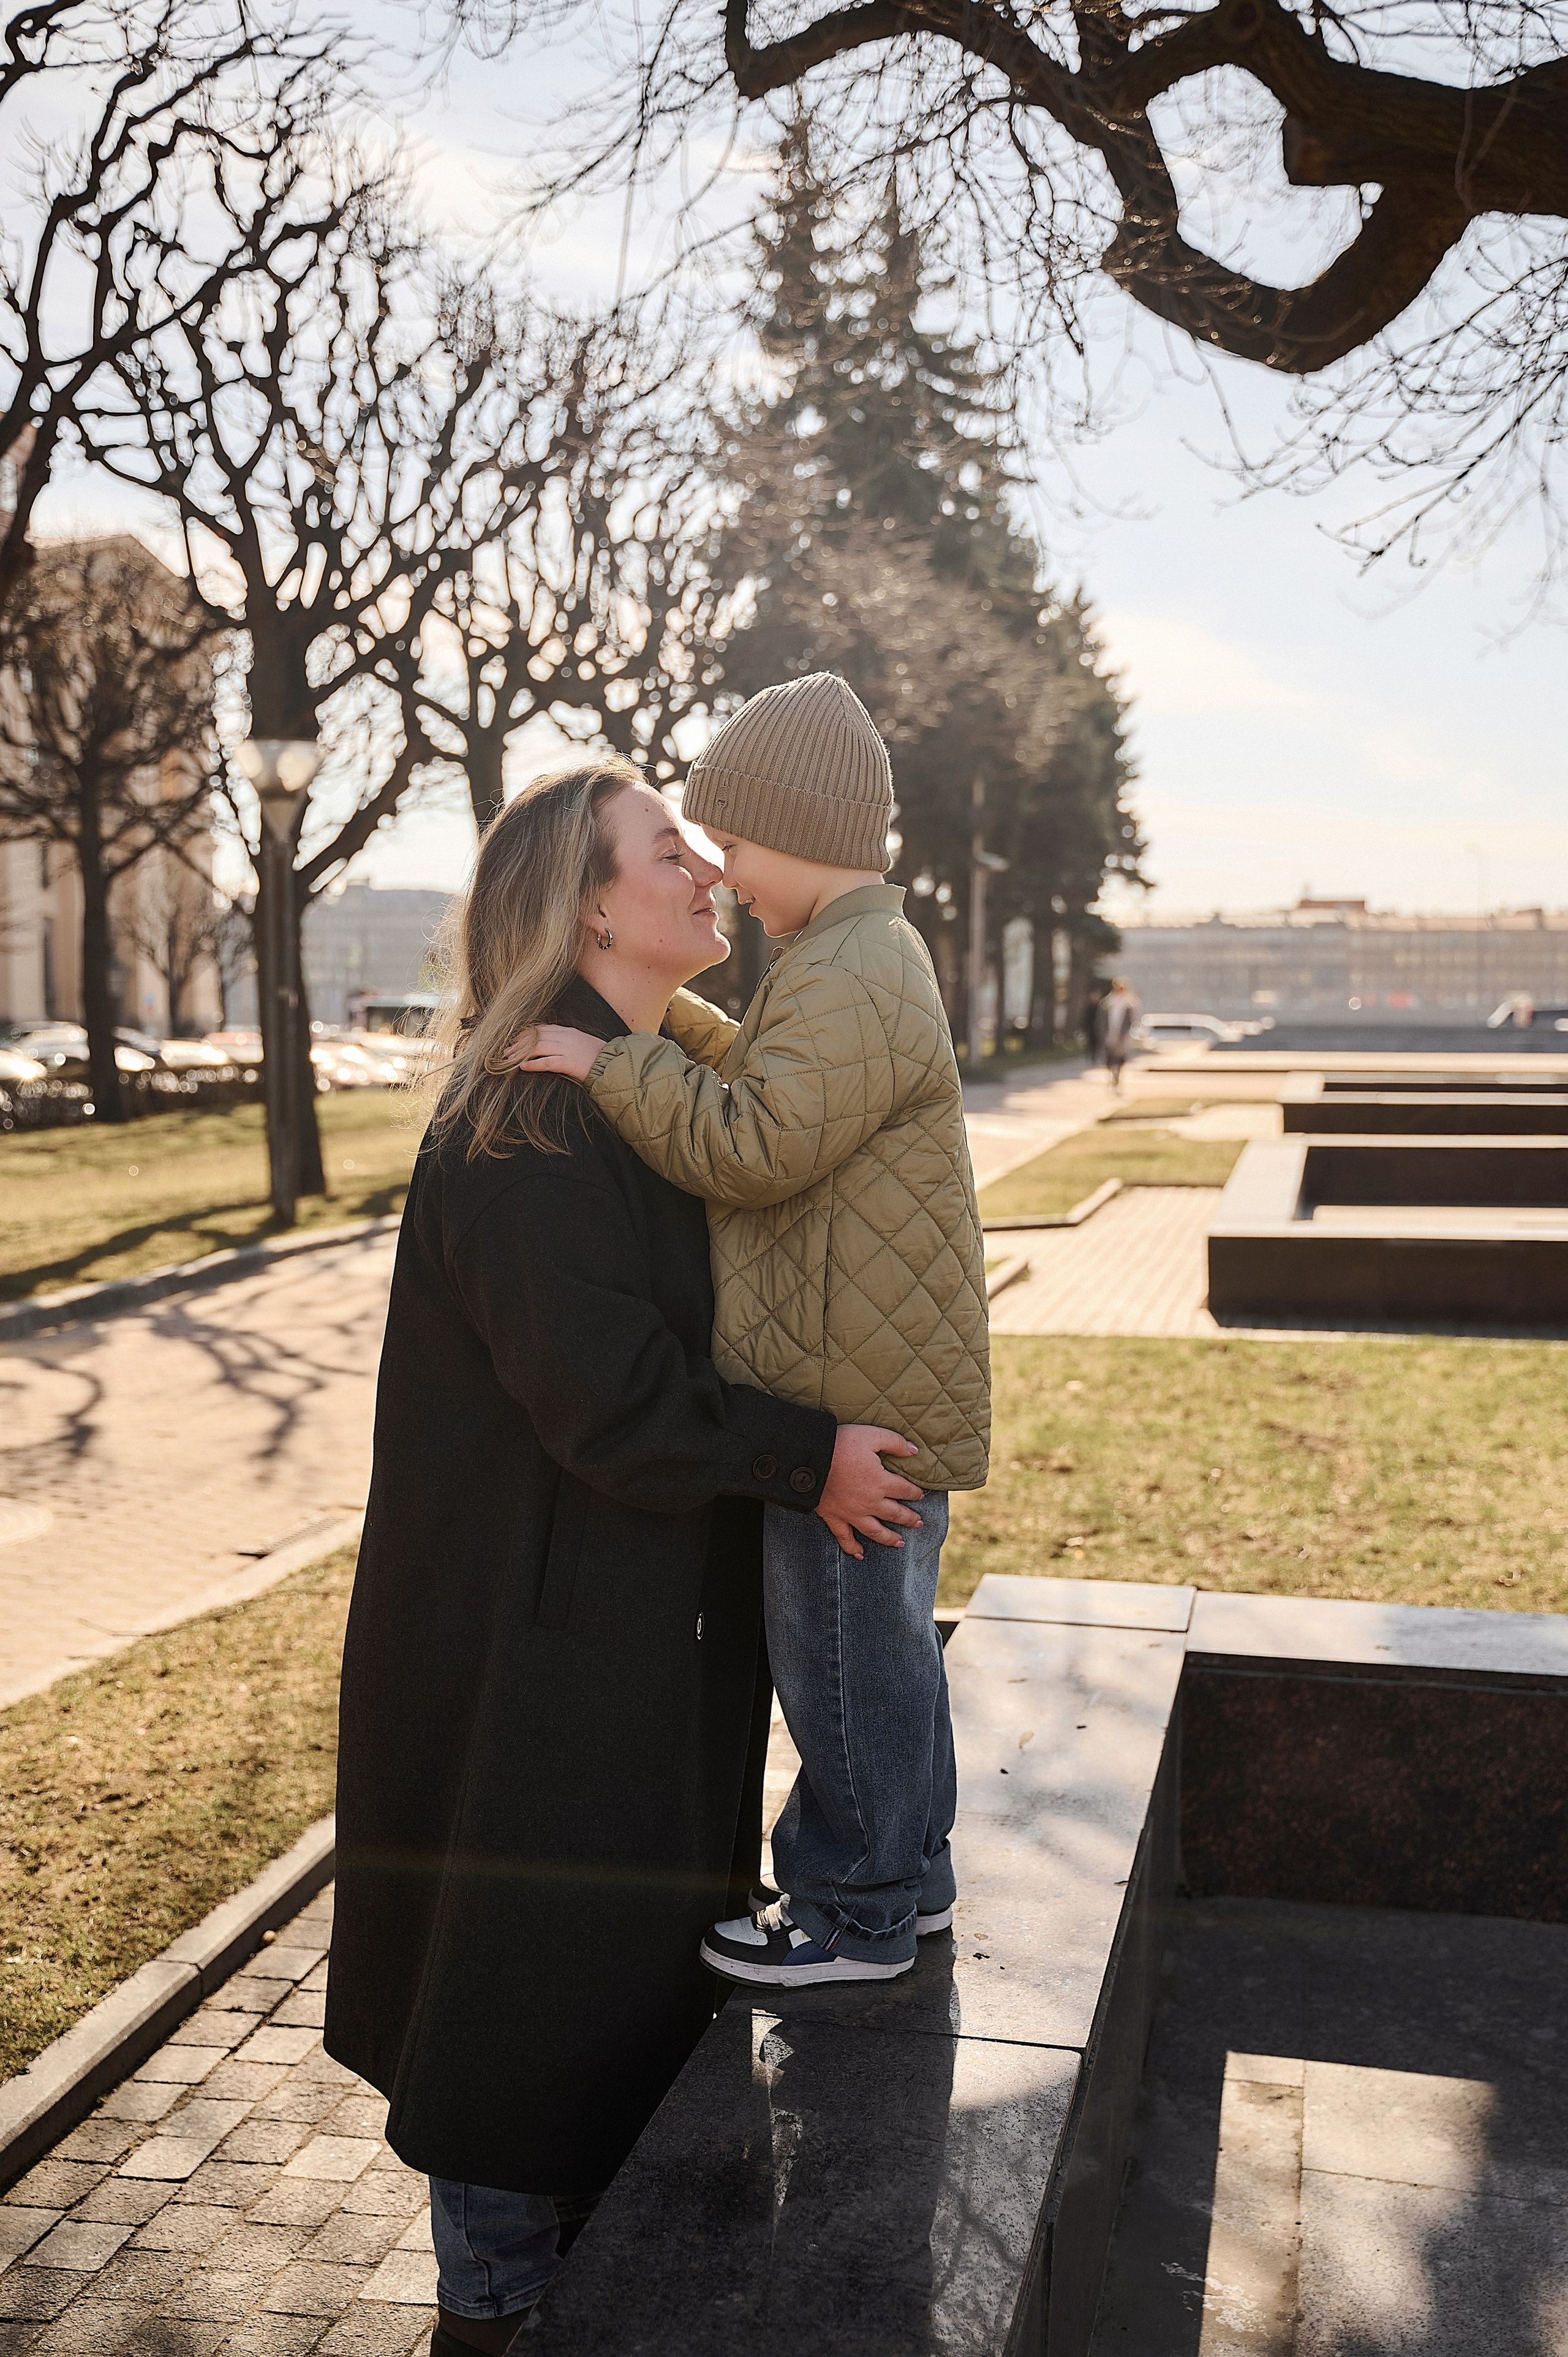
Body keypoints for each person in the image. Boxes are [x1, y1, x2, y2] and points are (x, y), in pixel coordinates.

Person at [323, 756, 922, 2351]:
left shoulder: (625, 1089)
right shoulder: (530, 1117)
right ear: (592, 905)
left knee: (598, 2037)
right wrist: (812, 1458)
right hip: (540, 1677)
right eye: (670, 850)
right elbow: (615, 1408)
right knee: (523, 2048)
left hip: (622, 1655)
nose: (707, 870)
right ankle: (498, 2317)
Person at [519, 673, 990, 1990]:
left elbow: (760, 1140)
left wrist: (613, 1063)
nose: (717, 868)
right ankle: (914, 1875)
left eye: (727, 840)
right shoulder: (849, 958)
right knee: (884, 1654)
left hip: (853, 1399)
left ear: (794, 832)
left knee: (840, 1665)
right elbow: (776, 1075)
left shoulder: (852, 966)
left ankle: (853, 1908)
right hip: (870, 1380)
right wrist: (663, 1019)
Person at [1095, 975, 1142, 1091]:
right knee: (1109, 1057)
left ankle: (1117, 1076)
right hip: (1110, 1032)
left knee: (1120, 1057)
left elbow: (1133, 1020)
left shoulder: (1129, 1003)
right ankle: (1112, 1075)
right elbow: (1101, 1020)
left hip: (1122, 1035)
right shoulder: (1108, 1003)